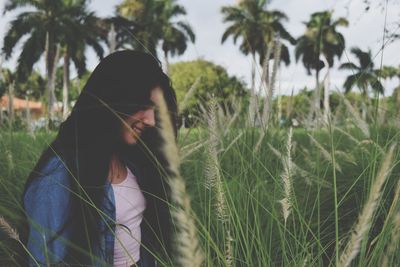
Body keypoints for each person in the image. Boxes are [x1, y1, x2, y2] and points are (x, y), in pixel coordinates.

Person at [22, 50, 178, 266]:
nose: (151, 120)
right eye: (142, 105)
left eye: (155, 109)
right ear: (114, 100)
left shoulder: (132, 159)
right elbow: (44, 261)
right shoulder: (58, 177)